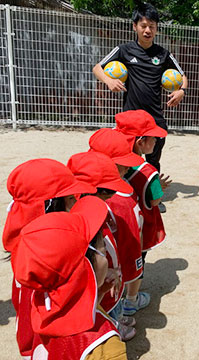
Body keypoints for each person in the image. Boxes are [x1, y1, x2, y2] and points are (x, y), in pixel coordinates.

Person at [11, 196, 127, 360]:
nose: (107, 256)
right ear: (85, 265)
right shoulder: (105, 346)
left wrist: (98, 292)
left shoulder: (43, 305)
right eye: (102, 248)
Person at [2, 159, 96, 358]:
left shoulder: (27, 240)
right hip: (46, 339)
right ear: (50, 205)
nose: (75, 202)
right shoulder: (43, 256)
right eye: (70, 197)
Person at [92, 2, 188, 177]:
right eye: (143, 26)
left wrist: (182, 91)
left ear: (157, 29)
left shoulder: (163, 54)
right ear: (134, 26)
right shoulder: (124, 50)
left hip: (154, 119)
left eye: (152, 26)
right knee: (126, 158)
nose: (147, 30)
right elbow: (97, 68)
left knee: (153, 160)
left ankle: (152, 195)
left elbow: (183, 77)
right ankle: (128, 194)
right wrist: (108, 80)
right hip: (130, 119)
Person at [67, 151, 137, 341]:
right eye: (109, 192)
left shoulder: (94, 209)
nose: (112, 197)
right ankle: (112, 328)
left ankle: (115, 320)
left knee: (112, 303)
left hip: (108, 279)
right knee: (102, 310)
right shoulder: (80, 219)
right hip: (97, 285)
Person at [115, 109, 171, 316]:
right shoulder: (147, 171)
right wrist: (159, 188)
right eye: (154, 138)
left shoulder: (112, 163)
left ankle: (116, 295)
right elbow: (154, 200)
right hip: (139, 229)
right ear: (140, 141)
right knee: (137, 263)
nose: (156, 142)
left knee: (118, 259)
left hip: (117, 225)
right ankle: (131, 300)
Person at [89, 128, 145, 324]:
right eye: (123, 164)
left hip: (103, 267)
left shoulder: (88, 191)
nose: (128, 168)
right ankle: (116, 325)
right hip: (109, 267)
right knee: (109, 300)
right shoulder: (115, 199)